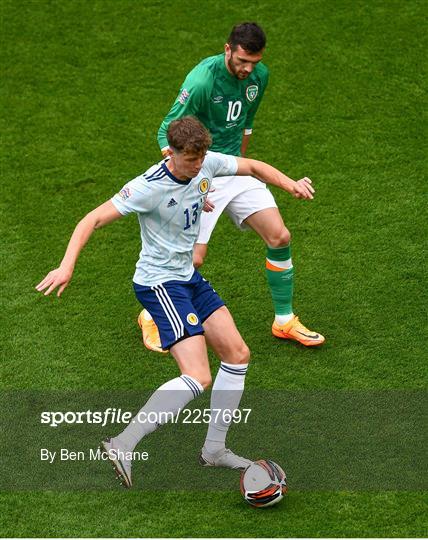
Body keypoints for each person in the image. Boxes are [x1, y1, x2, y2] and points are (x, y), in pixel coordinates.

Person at [35, 116, 315, 488]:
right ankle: (123, 444)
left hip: (187, 277)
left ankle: (214, 449)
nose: (199, 165)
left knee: (237, 354)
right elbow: (92, 219)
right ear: (171, 153)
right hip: (160, 284)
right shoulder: (145, 188)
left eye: (201, 157)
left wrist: (290, 184)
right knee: (198, 375)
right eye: (190, 159)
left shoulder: (205, 162)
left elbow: (252, 166)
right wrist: (66, 265)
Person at [139, 22, 324, 354]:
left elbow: (246, 124)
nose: (248, 69)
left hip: (232, 170)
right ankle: (150, 314)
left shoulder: (258, 76)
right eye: (242, 61)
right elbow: (166, 130)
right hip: (201, 172)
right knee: (192, 260)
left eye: (254, 62)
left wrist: (241, 165)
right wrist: (189, 182)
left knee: (279, 236)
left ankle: (284, 320)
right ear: (228, 49)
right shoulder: (201, 81)